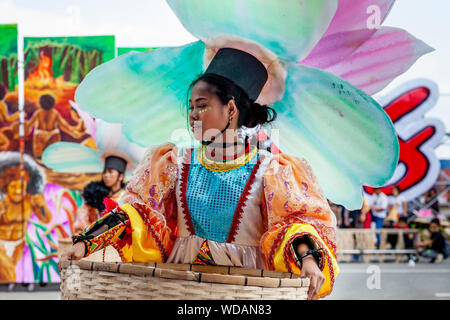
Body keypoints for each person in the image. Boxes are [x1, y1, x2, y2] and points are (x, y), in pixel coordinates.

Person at [61, 48, 339, 300]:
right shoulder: (172, 163)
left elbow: (295, 224)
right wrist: (86, 243)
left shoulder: (272, 170)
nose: (193, 115)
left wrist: (310, 261)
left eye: (202, 105)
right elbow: (136, 212)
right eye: (191, 107)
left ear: (230, 109)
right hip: (179, 285)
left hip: (246, 291)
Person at [0, 152, 52, 282]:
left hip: (18, 244)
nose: (18, 191)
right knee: (10, 275)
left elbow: (46, 219)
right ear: (6, 188)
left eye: (21, 187)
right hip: (1, 244)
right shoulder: (3, 203)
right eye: (13, 187)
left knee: (5, 279)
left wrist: (42, 205)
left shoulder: (30, 200)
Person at [73, 155, 128, 234]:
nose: (106, 175)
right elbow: (82, 218)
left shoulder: (126, 198)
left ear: (121, 176)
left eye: (110, 171)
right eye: (104, 172)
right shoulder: (96, 197)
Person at [24, 93, 84, 158]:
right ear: (53, 103)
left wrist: (25, 131)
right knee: (52, 154)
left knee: (39, 154)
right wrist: (73, 133)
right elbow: (64, 126)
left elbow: (30, 124)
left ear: (40, 103)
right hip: (53, 134)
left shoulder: (38, 113)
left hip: (40, 134)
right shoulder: (54, 113)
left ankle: (40, 158)